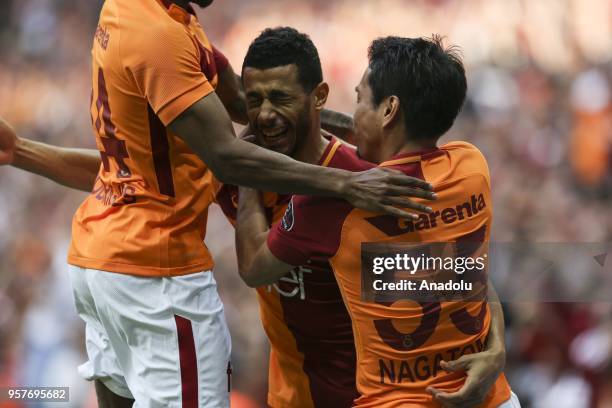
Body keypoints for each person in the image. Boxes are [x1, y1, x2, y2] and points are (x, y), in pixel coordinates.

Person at [0, 27, 508, 408]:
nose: (264, 114)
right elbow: (124, 176)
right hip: (294, 392)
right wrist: (21, 151)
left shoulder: (366, 182)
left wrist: (497, 345)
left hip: (371, 393)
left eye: (282, 99)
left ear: (319, 97)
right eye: (254, 98)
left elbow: (458, 272)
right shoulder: (241, 160)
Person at [235, 35, 521, 407]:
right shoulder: (470, 167)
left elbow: (254, 267)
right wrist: (497, 347)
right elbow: (465, 268)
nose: (354, 114)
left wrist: (245, 171)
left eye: (358, 100)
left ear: (388, 110)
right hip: (491, 399)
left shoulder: (333, 201)